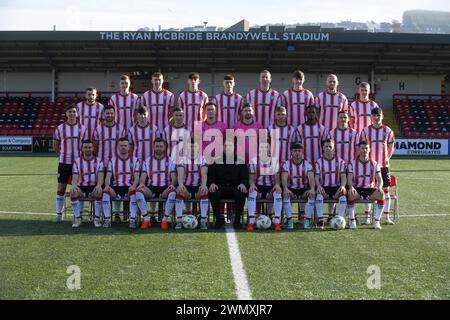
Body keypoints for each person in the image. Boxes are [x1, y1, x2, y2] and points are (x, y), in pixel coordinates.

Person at [360, 107, 395, 225]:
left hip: (383, 166)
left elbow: (391, 147)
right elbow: (362, 147)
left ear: (382, 116)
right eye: (374, 115)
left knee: (385, 191)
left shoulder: (388, 130)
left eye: (378, 115)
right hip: (369, 166)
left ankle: (386, 216)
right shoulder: (365, 131)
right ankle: (367, 217)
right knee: (368, 191)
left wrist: (386, 159)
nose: (376, 117)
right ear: (371, 117)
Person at [52, 104, 88, 223]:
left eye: (74, 111)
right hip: (64, 163)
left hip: (78, 163)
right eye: (70, 112)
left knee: (79, 188)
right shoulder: (60, 128)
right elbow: (56, 145)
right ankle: (59, 214)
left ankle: (79, 214)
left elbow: (86, 146)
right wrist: (62, 154)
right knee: (61, 187)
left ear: (77, 114)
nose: (72, 113)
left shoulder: (83, 128)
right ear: (66, 114)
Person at [135, 138, 177, 230]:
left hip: (165, 188)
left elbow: (173, 176)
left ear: (165, 147)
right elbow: (143, 175)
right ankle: (146, 219)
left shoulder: (170, 160)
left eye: (161, 146)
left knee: (173, 192)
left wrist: (173, 184)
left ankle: (164, 220)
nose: (159, 148)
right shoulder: (148, 160)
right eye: (157, 146)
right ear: (153, 147)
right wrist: (142, 183)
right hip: (151, 188)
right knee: (138, 192)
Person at [167, 140, 209, 230]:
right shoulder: (182, 159)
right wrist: (181, 184)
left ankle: (203, 221)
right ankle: (179, 221)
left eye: (195, 147)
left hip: (198, 187)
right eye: (190, 147)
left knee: (204, 190)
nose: (192, 150)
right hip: (187, 188)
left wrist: (204, 185)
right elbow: (180, 171)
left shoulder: (202, 159)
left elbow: (204, 173)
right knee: (180, 190)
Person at [208, 139, 249, 229]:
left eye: (230, 146)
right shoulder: (215, 160)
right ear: (223, 147)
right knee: (213, 192)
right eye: (226, 146)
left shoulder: (240, 160)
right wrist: (212, 183)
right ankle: (218, 220)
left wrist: (242, 183)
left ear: (234, 148)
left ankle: (237, 220)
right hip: (220, 187)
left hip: (235, 187)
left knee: (241, 192)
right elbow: (210, 177)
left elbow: (245, 177)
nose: (228, 148)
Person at [102, 137, 140, 228]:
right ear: (118, 147)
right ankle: (107, 220)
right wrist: (107, 185)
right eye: (121, 145)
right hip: (116, 187)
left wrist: (134, 185)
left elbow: (137, 176)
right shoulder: (112, 160)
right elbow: (108, 176)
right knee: (105, 193)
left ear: (129, 147)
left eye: (125, 146)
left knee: (134, 192)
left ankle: (132, 219)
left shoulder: (135, 160)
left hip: (129, 187)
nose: (123, 147)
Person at [347, 141, 385, 230]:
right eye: (362, 148)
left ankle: (376, 222)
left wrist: (379, 187)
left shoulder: (375, 164)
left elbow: (380, 179)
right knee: (351, 194)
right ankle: (352, 221)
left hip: (370, 189)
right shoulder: (352, 163)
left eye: (366, 148)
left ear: (369, 150)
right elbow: (349, 179)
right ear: (359, 149)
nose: (364, 150)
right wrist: (351, 187)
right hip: (358, 188)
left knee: (381, 194)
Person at [247, 142, 282, 231]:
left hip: (270, 187)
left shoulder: (275, 161)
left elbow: (277, 179)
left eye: (266, 147)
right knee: (251, 192)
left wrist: (277, 185)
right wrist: (252, 185)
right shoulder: (253, 161)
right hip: (258, 186)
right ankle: (251, 222)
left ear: (270, 149)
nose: (264, 149)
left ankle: (277, 222)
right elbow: (251, 178)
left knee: (278, 192)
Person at [70, 139, 104, 228]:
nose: (87, 149)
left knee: (99, 191)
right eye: (85, 147)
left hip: (93, 187)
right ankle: (78, 219)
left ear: (93, 149)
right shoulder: (77, 161)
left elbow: (100, 176)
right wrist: (74, 185)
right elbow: (75, 176)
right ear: (82, 149)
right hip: (82, 187)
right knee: (73, 191)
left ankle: (96, 219)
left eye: (89, 147)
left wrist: (99, 185)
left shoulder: (99, 161)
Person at [281, 142, 315, 229]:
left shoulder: (308, 164)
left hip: (303, 189)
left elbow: (311, 178)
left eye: (299, 151)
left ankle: (307, 220)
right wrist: (285, 188)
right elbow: (284, 178)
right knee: (286, 195)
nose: (297, 153)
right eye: (295, 151)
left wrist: (312, 188)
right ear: (291, 152)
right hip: (291, 189)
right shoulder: (286, 164)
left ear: (302, 152)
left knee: (311, 195)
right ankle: (290, 221)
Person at [314, 139, 347, 229]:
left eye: (330, 147)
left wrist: (343, 186)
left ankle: (340, 219)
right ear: (323, 148)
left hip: (336, 187)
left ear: (334, 148)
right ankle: (320, 220)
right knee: (319, 195)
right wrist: (319, 186)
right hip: (324, 187)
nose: (328, 148)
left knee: (343, 195)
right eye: (326, 146)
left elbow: (343, 176)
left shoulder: (340, 162)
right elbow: (316, 177)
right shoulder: (318, 162)